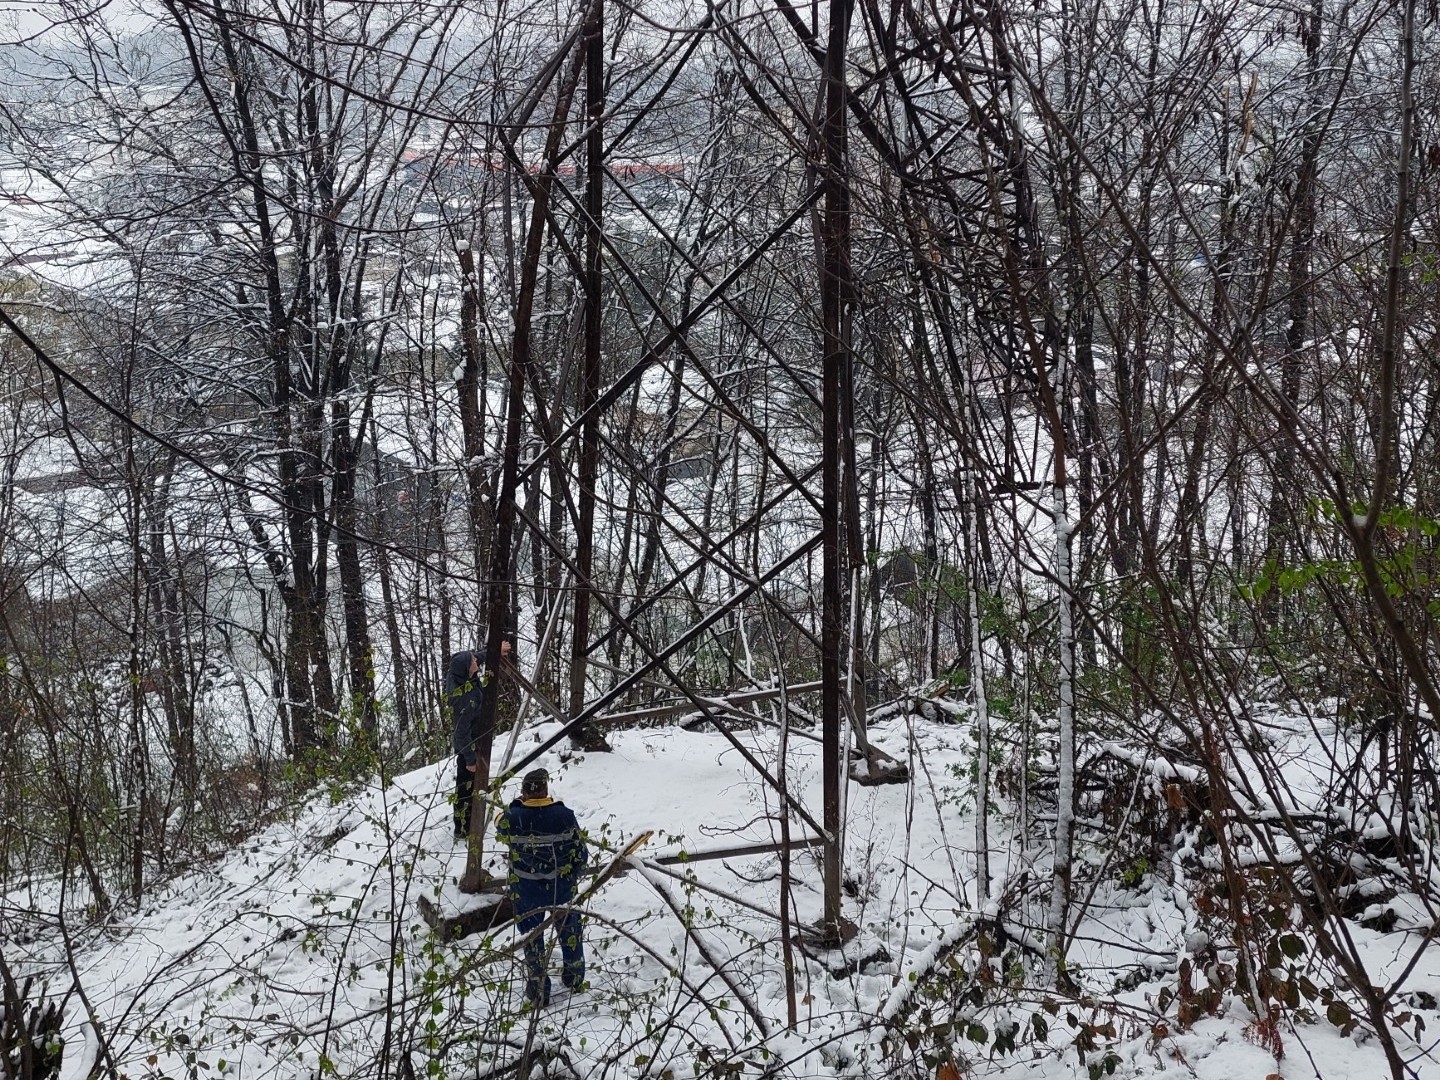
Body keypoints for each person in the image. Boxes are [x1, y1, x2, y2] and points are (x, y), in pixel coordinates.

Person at [497, 768, 588, 1005]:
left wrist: (516, 804)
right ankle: (575, 976)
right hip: (561, 887)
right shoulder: (564, 816)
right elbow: (581, 853)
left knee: (532, 938)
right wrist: (572, 879)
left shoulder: (512, 818)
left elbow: (499, 823)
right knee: (570, 931)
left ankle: (538, 991)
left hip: (526, 891)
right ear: (546, 789)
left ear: (524, 792)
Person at [448, 641, 510, 840]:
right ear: (468, 669)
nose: (477, 660)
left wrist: (495, 651)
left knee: (471, 785)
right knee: (465, 787)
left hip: (475, 740)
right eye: (473, 661)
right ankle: (463, 827)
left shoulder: (463, 674)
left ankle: (469, 818)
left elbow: (476, 657)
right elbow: (461, 733)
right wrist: (470, 759)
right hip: (469, 746)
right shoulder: (464, 698)